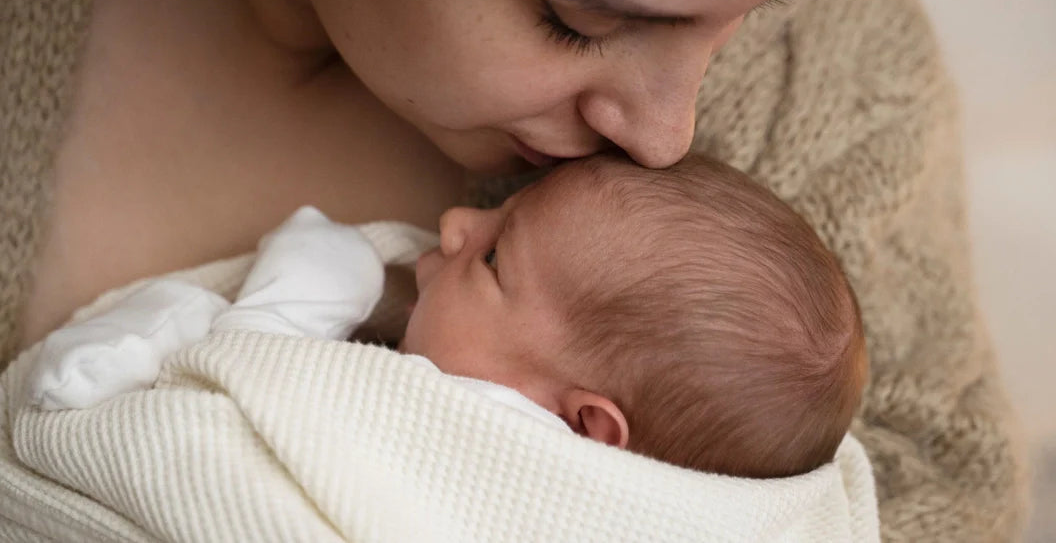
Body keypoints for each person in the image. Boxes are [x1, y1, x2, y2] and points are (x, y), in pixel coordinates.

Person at [1, 0, 1027, 539]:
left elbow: (948, 487)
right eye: (578, 21)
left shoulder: (833, 52)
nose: (670, 135)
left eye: (759, 9)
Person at [31, 153, 867, 480]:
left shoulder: (495, 453)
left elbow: (249, 418)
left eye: (495, 258)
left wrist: (309, 294)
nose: (461, 223)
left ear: (585, 426)